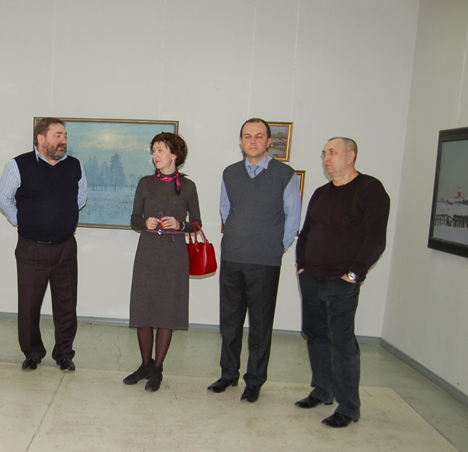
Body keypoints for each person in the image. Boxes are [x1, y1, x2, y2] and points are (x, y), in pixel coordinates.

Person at [295, 137, 390, 427]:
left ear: (351, 156)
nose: (327, 158)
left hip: (341, 281)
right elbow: (306, 233)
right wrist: (301, 266)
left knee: (342, 342)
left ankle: (349, 407)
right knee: (315, 335)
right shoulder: (321, 193)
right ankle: (322, 390)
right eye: (324, 153)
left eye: (333, 153)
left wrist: (354, 273)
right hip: (312, 277)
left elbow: (376, 238)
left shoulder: (370, 189)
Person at [208, 118, 301, 403]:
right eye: (247, 136)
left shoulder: (285, 174)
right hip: (233, 257)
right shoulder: (230, 173)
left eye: (259, 136)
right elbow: (226, 211)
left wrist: (276, 248)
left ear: (269, 141)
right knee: (230, 322)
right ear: (241, 141)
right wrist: (240, 236)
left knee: (260, 325)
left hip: (265, 261)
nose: (253, 141)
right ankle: (228, 374)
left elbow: (293, 218)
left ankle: (255, 381)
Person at [0, 117, 87, 372]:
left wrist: (61, 216)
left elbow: (80, 199)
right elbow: (2, 198)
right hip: (32, 248)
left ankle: (64, 354)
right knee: (29, 305)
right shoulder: (18, 165)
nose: (63, 140)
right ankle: (32, 353)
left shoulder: (75, 166)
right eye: (58, 135)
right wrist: (22, 220)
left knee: (66, 305)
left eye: (65, 136)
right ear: (41, 138)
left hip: (65, 247)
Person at [124, 132, 201, 392]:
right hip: (147, 252)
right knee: (143, 310)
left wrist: (180, 224)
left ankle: (158, 368)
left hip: (173, 255)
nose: (155, 155)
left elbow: (197, 224)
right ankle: (145, 365)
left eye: (160, 150)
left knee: (167, 313)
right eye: (154, 150)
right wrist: (143, 222)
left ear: (174, 155)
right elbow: (134, 219)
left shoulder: (188, 186)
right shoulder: (145, 183)